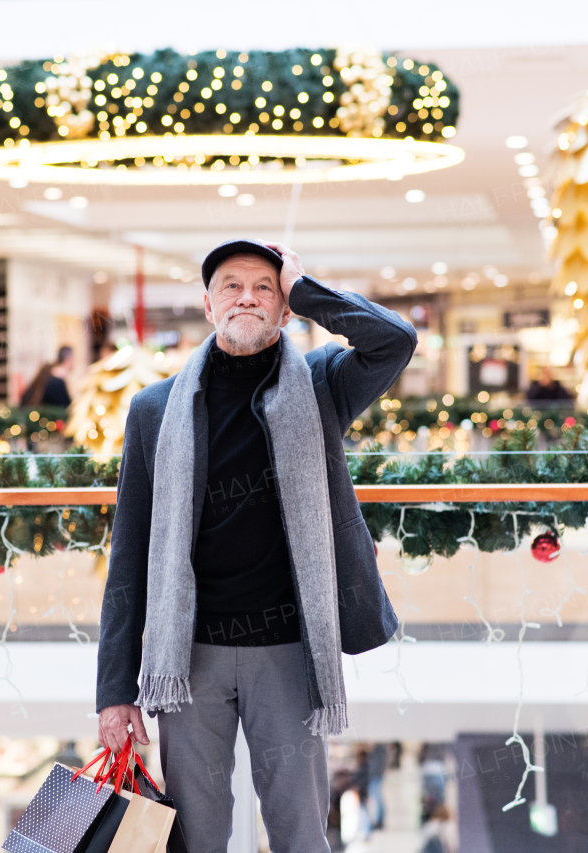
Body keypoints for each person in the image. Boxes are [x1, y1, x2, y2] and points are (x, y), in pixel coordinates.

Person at [96, 239, 416, 852]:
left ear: (284, 306)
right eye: (231, 287)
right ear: (209, 305)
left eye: (264, 287)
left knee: (299, 832)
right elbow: (129, 557)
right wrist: (115, 692)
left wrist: (307, 287)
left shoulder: (322, 388)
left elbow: (393, 340)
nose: (247, 297)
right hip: (188, 659)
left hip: (289, 652)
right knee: (197, 837)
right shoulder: (154, 409)